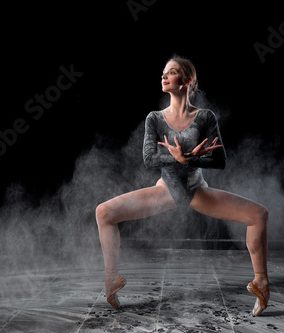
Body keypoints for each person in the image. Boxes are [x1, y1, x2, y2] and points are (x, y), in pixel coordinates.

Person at [95, 55, 270, 316]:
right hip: (166, 189)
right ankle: (111, 280)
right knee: (104, 212)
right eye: (163, 72)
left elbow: (220, 159)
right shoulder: (154, 118)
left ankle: (262, 283)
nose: (164, 76)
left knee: (259, 215)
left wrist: (189, 159)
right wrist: (177, 158)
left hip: (195, 190)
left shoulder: (205, 117)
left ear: (187, 80)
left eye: (171, 72)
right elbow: (149, 159)